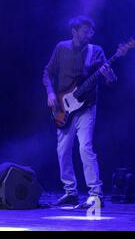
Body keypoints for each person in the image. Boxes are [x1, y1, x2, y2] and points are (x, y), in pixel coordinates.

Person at [43, 16, 117, 208]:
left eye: (91, 32)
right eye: (86, 31)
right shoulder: (61, 48)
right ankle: (70, 192)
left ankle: (95, 194)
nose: (90, 35)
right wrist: (50, 92)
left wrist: (109, 75)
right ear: (74, 31)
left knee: (85, 147)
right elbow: (47, 73)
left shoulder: (96, 51)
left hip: (87, 107)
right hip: (63, 107)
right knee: (62, 151)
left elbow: (110, 80)